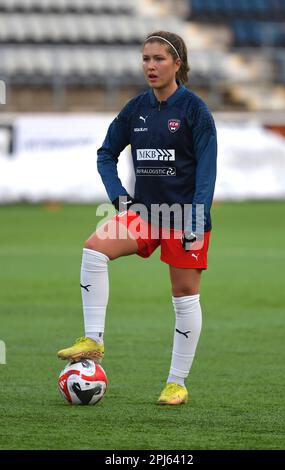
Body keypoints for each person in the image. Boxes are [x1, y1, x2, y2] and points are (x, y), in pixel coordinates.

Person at [57, 31, 217, 406]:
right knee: (93, 250)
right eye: (145, 58)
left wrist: (196, 217)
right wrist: (120, 197)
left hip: (183, 217)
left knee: (184, 298)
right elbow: (105, 154)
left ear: (178, 63)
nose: (150, 66)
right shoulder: (135, 109)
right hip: (144, 213)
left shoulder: (195, 110)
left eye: (159, 59)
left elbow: (207, 172)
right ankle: (93, 341)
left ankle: (176, 383)